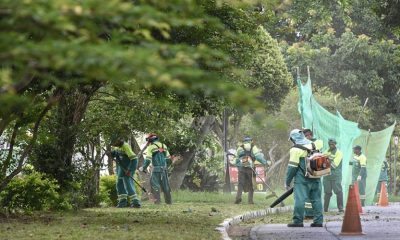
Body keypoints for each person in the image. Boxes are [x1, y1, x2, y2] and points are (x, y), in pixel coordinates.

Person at [286, 129, 323, 227]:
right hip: (315, 177)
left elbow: (292, 168)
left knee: (300, 199)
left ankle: (298, 221)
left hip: (302, 180)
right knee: (316, 199)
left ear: (293, 139)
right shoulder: (316, 145)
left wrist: (287, 181)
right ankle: (318, 221)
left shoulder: (295, 150)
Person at [234, 136, 270, 204]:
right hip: (250, 169)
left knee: (240, 184)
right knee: (251, 184)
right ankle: (250, 201)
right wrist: (265, 163)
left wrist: (239, 166)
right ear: (251, 141)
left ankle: (238, 198)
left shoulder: (240, 147)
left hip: (242, 168)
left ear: (244, 141)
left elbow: (236, 159)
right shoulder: (253, 147)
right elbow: (258, 157)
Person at [139, 133, 173, 204]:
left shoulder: (151, 147)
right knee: (166, 185)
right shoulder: (164, 146)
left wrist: (143, 168)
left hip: (155, 170)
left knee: (155, 185)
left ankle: (157, 202)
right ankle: (169, 202)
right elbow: (169, 159)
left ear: (150, 139)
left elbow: (148, 160)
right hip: (164, 169)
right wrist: (165, 166)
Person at [110, 136, 141, 208]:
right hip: (121, 169)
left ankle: (135, 202)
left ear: (118, 141)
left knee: (128, 184)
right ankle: (122, 202)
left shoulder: (125, 146)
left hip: (128, 168)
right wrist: (111, 153)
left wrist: (130, 170)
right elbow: (115, 154)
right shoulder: (117, 147)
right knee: (119, 184)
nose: (113, 145)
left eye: (114, 143)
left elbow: (134, 159)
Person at [302, 129, 323, 218]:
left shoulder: (318, 142)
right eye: (305, 136)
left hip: (316, 172)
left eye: (308, 135)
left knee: (316, 194)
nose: (306, 137)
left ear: (311, 135)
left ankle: (317, 213)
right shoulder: (303, 143)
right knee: (306, 194)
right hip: (306, 172)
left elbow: (313, 147)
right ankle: (308, 213)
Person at [322, 138, 344, 212]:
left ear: (335, 144)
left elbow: (334, 165)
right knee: (327, 193)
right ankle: (325, 209)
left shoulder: (339, 153)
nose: (331, 145)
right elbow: (321, 162)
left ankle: (340, 208)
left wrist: (325, 163)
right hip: (327, 176)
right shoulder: (326, 152)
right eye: (330, 144)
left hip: (335, 176)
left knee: (338, 191)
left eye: (333, 144)